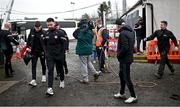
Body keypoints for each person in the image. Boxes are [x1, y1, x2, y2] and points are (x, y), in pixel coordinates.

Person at [114, 19, 137, 104]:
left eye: (116, 25)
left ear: (119, 25)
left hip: (125, 59)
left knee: (126, 77)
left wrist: (118, 54)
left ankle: (133, 96)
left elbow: (125, 47)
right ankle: (122, 93)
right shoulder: (132, 32)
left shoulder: (123, 33)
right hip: (128, 58)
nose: (116, 27)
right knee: (121, 75)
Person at [74, 18, 101, 84]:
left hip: (82, 50)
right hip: (89, 49)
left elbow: (74, 35)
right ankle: (95, 73)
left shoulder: (80, 31)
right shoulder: (91, 32)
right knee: (88, 62)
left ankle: (85, 79)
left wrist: (79, 28)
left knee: (84, 64)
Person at [44, 18, 66, 95]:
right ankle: (50, 88)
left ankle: (62, 80)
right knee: (50, 70)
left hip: (59, 55)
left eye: (51, 24)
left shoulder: (60, 33)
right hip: (50, 56)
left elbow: (64, 44)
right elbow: (44, 44)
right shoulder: (46, 33)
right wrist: (46, 53)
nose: (49, 26)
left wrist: (62, 54)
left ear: (54, 24)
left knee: (60, 69)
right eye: (48, 25)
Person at [27, 21, 46, 86]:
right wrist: (28, 47)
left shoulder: (44, 32)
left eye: (38, 27)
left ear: (41, 26)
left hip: (42, 51)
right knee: (33, 65)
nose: (37, 29)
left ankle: (43, 75)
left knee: (43, 64)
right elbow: (29, 39)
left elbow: (46, 42)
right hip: (34, 51)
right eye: (36, 27)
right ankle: (33, 79)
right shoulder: (32, 31)